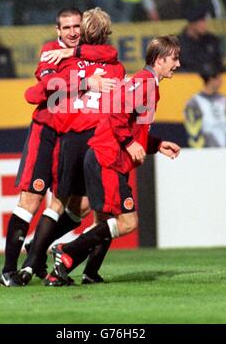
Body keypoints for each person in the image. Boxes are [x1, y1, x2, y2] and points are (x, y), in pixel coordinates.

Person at [0, 8, 118, 286]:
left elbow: (110, 55)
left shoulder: (87, 53)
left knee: (81, 206)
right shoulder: (51, 51)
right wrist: (87, 82)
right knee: (31, 199)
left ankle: (35, 252)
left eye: (77, 26)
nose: (73, 32)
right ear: (58, 31)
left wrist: (75, 57)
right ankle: (7, 270)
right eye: (67, 28)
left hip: (73, 135)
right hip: (46, 132)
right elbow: (48, 86)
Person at [49, 36, 181, 284]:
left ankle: (69, 272)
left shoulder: (146, 83)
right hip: (107, 159)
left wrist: (155, 144)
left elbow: (133, 126)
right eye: (174, 58)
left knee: (107, 221)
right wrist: (130, 144)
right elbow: (117, 113)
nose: (178, 64)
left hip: (106, 157)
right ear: (160, 59)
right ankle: (67, 251)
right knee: (127, 222)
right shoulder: (145, 83)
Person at [184, 63, 226, 148]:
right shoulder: (194, 102)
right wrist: (201, 147)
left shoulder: (224, 99)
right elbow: (192, 129)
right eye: (219, 78)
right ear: (211, 80)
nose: (222, 81)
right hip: (208, 148)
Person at [178, 6, 224, 73]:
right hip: (187, 80)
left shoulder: (211, 40)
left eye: (205, 21)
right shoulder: (178, 44)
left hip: (212, 78)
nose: (205, 25)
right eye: (201, 21)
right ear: (192, 23)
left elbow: (218, 63)